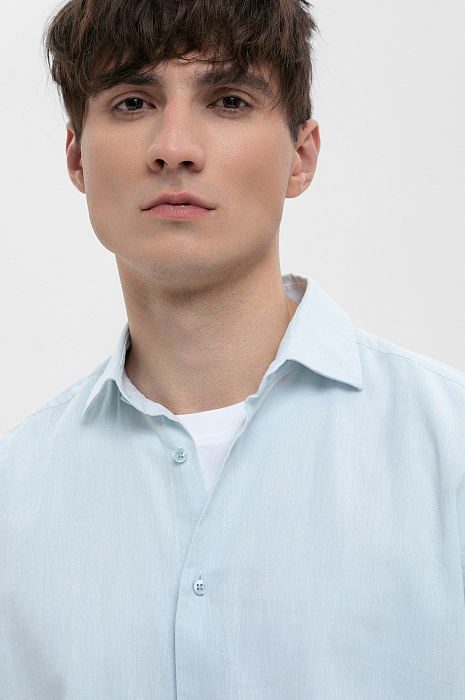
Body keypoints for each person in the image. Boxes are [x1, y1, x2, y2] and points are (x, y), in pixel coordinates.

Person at [1, 0, 464, 697]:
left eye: (228, 101)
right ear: (76, 158)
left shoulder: (450, 451)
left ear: (300, 157)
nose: (174, 147)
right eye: (132, 102)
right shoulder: (13, 495)